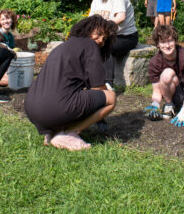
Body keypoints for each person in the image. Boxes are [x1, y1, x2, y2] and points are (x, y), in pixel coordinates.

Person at [24, 15, 118, 151]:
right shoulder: (90, 45)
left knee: (75, 96)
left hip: (32, 108)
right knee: (111, 98)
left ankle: (52, 132)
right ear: (88, 29)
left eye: (104, 39)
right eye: (98, 34)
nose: (100, 41)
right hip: (55, 109)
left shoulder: (65, 46)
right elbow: (98, 87)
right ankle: (68, 133)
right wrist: (107, 91)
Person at [89, 0, 139, 91]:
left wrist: (103, 28)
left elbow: (120, 17)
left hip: (126, 36)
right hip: (106, 35)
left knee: (105, 46)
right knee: (87, 45)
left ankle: (108, 85)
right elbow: (90, 19)